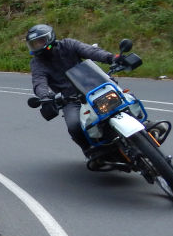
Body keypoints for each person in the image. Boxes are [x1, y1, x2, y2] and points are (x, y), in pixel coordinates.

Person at [27, 23, 122, 161]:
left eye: (40, 42)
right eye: (34, 44)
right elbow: (39, 81)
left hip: (95, 87)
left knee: (125, 100)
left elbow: (91, 51)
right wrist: (44, 96)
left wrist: (111, 58)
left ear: (49, 38)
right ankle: (91, 151)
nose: (37, 46)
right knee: (74, 125)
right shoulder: (37, 63)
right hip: (70, 99)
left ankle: (145, 126)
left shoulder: (68, 44)